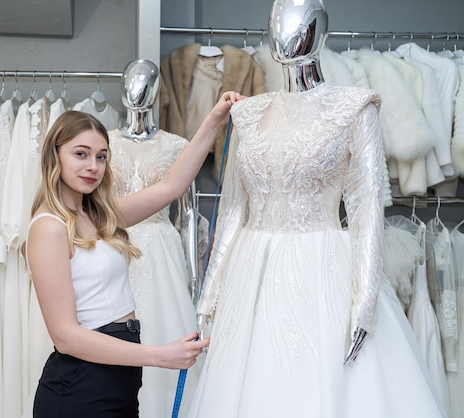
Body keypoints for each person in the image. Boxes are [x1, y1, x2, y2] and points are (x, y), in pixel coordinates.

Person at [187, 1, 449, 417]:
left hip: (322, 265)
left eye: (299, 26)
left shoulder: (353, 107)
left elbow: (366, 211)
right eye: (277, 25)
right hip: (250, 275)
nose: (286, 35)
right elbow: (233, 210)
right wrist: (209, 297)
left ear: (319, 34)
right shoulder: (248, 113)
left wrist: (364, 304)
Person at [24, 90, 243, 417]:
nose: (93, 166)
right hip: (80, 385)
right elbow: (66, 336)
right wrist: (160, 356)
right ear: (54, 157)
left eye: (101, 156)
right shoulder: (49, 227)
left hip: (118, 378)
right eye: (81, 154)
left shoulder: (97, 217)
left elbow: (171, 187)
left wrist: (214, 120)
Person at [108, 59, 204, 418]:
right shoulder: (104, 144)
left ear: (156, 91)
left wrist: (194, 281)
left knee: (164, 331)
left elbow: (190, 216)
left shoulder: (177, 145)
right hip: (116, 247)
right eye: (130, 84)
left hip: (162, 254)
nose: (136, 92)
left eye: (145, 84)